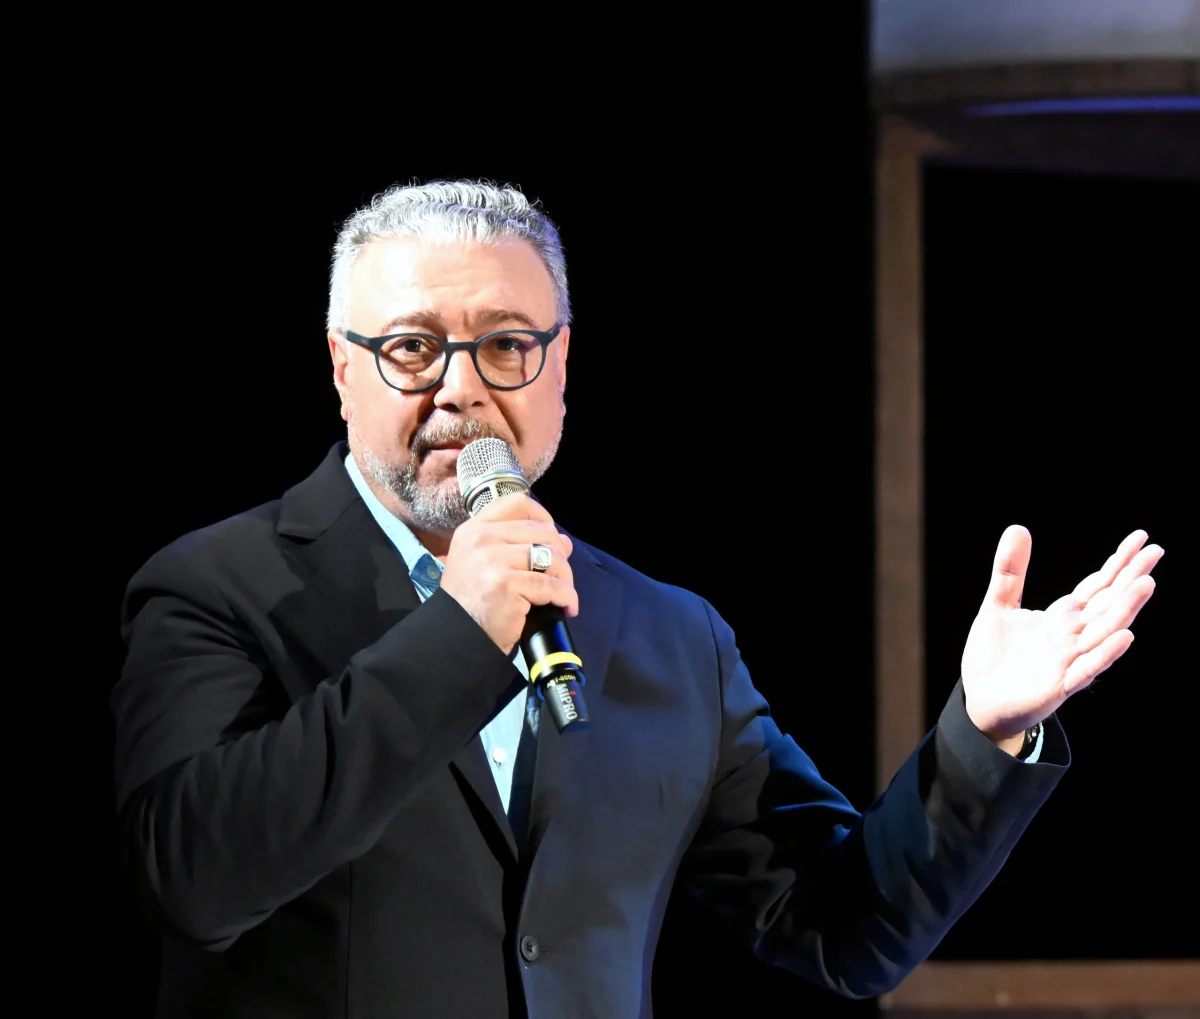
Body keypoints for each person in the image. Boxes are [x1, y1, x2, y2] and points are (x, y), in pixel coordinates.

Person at [113, 181, 1162, 1019]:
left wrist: (983, 733)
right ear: (343, 369)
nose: (461, 388)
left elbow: (842, 928)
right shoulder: (220, 588)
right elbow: (197, 878)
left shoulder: (669, 634)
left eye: (507, 344)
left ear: (560, 366)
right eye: (413, 347)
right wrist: (459, 633)